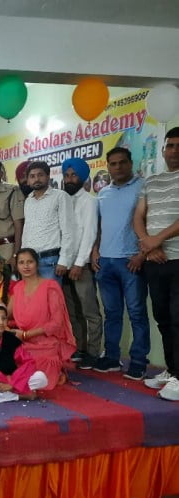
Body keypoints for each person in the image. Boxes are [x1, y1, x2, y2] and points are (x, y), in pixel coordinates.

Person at [90, 147, 150, 379]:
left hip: (131, 261)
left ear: (130, 163)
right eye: (113, 164)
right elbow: (99, 226)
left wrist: (142, 253)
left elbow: (150, 223)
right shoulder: (103, 193)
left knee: (136, 313)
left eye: (122, 162)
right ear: (108, 167)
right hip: (105, 262)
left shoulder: (143, 187)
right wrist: (95, 250)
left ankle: (139, 361)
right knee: (112, 313)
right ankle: (112, 358)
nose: (118, 167)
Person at [134, 127, 179, 400]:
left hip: (177, 258)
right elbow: (139, 216)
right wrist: (147, 244)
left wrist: (155, 240)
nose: (174, 151)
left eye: (178, 146)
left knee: (178, 318)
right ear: (163, 150)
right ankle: (172, 370)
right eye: (170, 145)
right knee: (162, 317)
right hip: (155, 260)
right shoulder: (151, 182)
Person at [8, 249, 76, 389]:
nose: (26, 266)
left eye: (30, 262)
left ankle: (56, 371)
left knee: (36, 378)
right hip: (22, 343)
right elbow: (6, 315)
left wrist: (26, 334)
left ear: (37, 264)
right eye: (21, 262)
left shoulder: (50, 286)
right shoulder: (18, 287)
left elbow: (56, 323)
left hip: (45, 344)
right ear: (17, 266)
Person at [60, 158, 103, 369]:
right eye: (66, 175)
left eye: (74, 175)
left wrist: (79, 263)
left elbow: (90, 234)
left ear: (83, 177)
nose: (69, 179)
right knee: (72, 311)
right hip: (64, 263)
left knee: (89, 310)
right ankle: (80, 347)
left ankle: (94, 352)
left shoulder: (89, 201)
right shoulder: (62, 200)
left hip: (81, 265)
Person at [21, 161, 77, 284]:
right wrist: (22, 258)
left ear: (48, 176)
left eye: (40, 175)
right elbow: (27, 230)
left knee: (50, 296)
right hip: (29, 261)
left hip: (50, 261)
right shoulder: (28, 201)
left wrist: (64, 260)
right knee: (32, 296)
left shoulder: (60, 196)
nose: (36, 179)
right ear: (28, 181)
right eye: (32, 176)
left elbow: (68, 230)